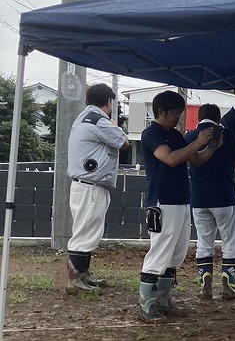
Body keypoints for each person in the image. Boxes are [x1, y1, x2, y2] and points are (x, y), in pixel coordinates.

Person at [138, 90, 217, 323]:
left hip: (182, 200)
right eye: (174, 113)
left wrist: (211, 147)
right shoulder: (151, 134)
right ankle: (147, 304)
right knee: (160, 251)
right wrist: (198, 143)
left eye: (179, 113)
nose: (177, 118)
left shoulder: (176, 135)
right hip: (163, 201)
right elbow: (171, 158)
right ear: (160, 112)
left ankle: (163, 299)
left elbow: (195, 160)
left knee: (176, 253)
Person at [65, 83, 128, 294]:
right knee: (85, 233)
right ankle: (75, 280)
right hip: (91, 186)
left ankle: (83, 274)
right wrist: (113, 123)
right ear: (108, 101)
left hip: (84, 185)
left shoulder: (83, 117)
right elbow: (124, 142)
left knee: (87, 231)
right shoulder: (99, 120)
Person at [184, 103, 235, 301]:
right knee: (231, 241)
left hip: (199, 199)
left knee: (204, 241)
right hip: (224, 197)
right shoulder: (225, 134)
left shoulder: (190, 137)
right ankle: (230, 287)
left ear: (199, 118)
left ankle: (206, 287)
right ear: (218, 118)